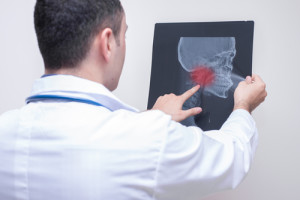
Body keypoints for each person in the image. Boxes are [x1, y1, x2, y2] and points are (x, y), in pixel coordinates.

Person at [0, 0, 267, 200]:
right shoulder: (147, 138)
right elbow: (230, 158)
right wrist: (243, 106)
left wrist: (150, 120)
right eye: (123, 34)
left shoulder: (4, 130)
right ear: (107, 43)